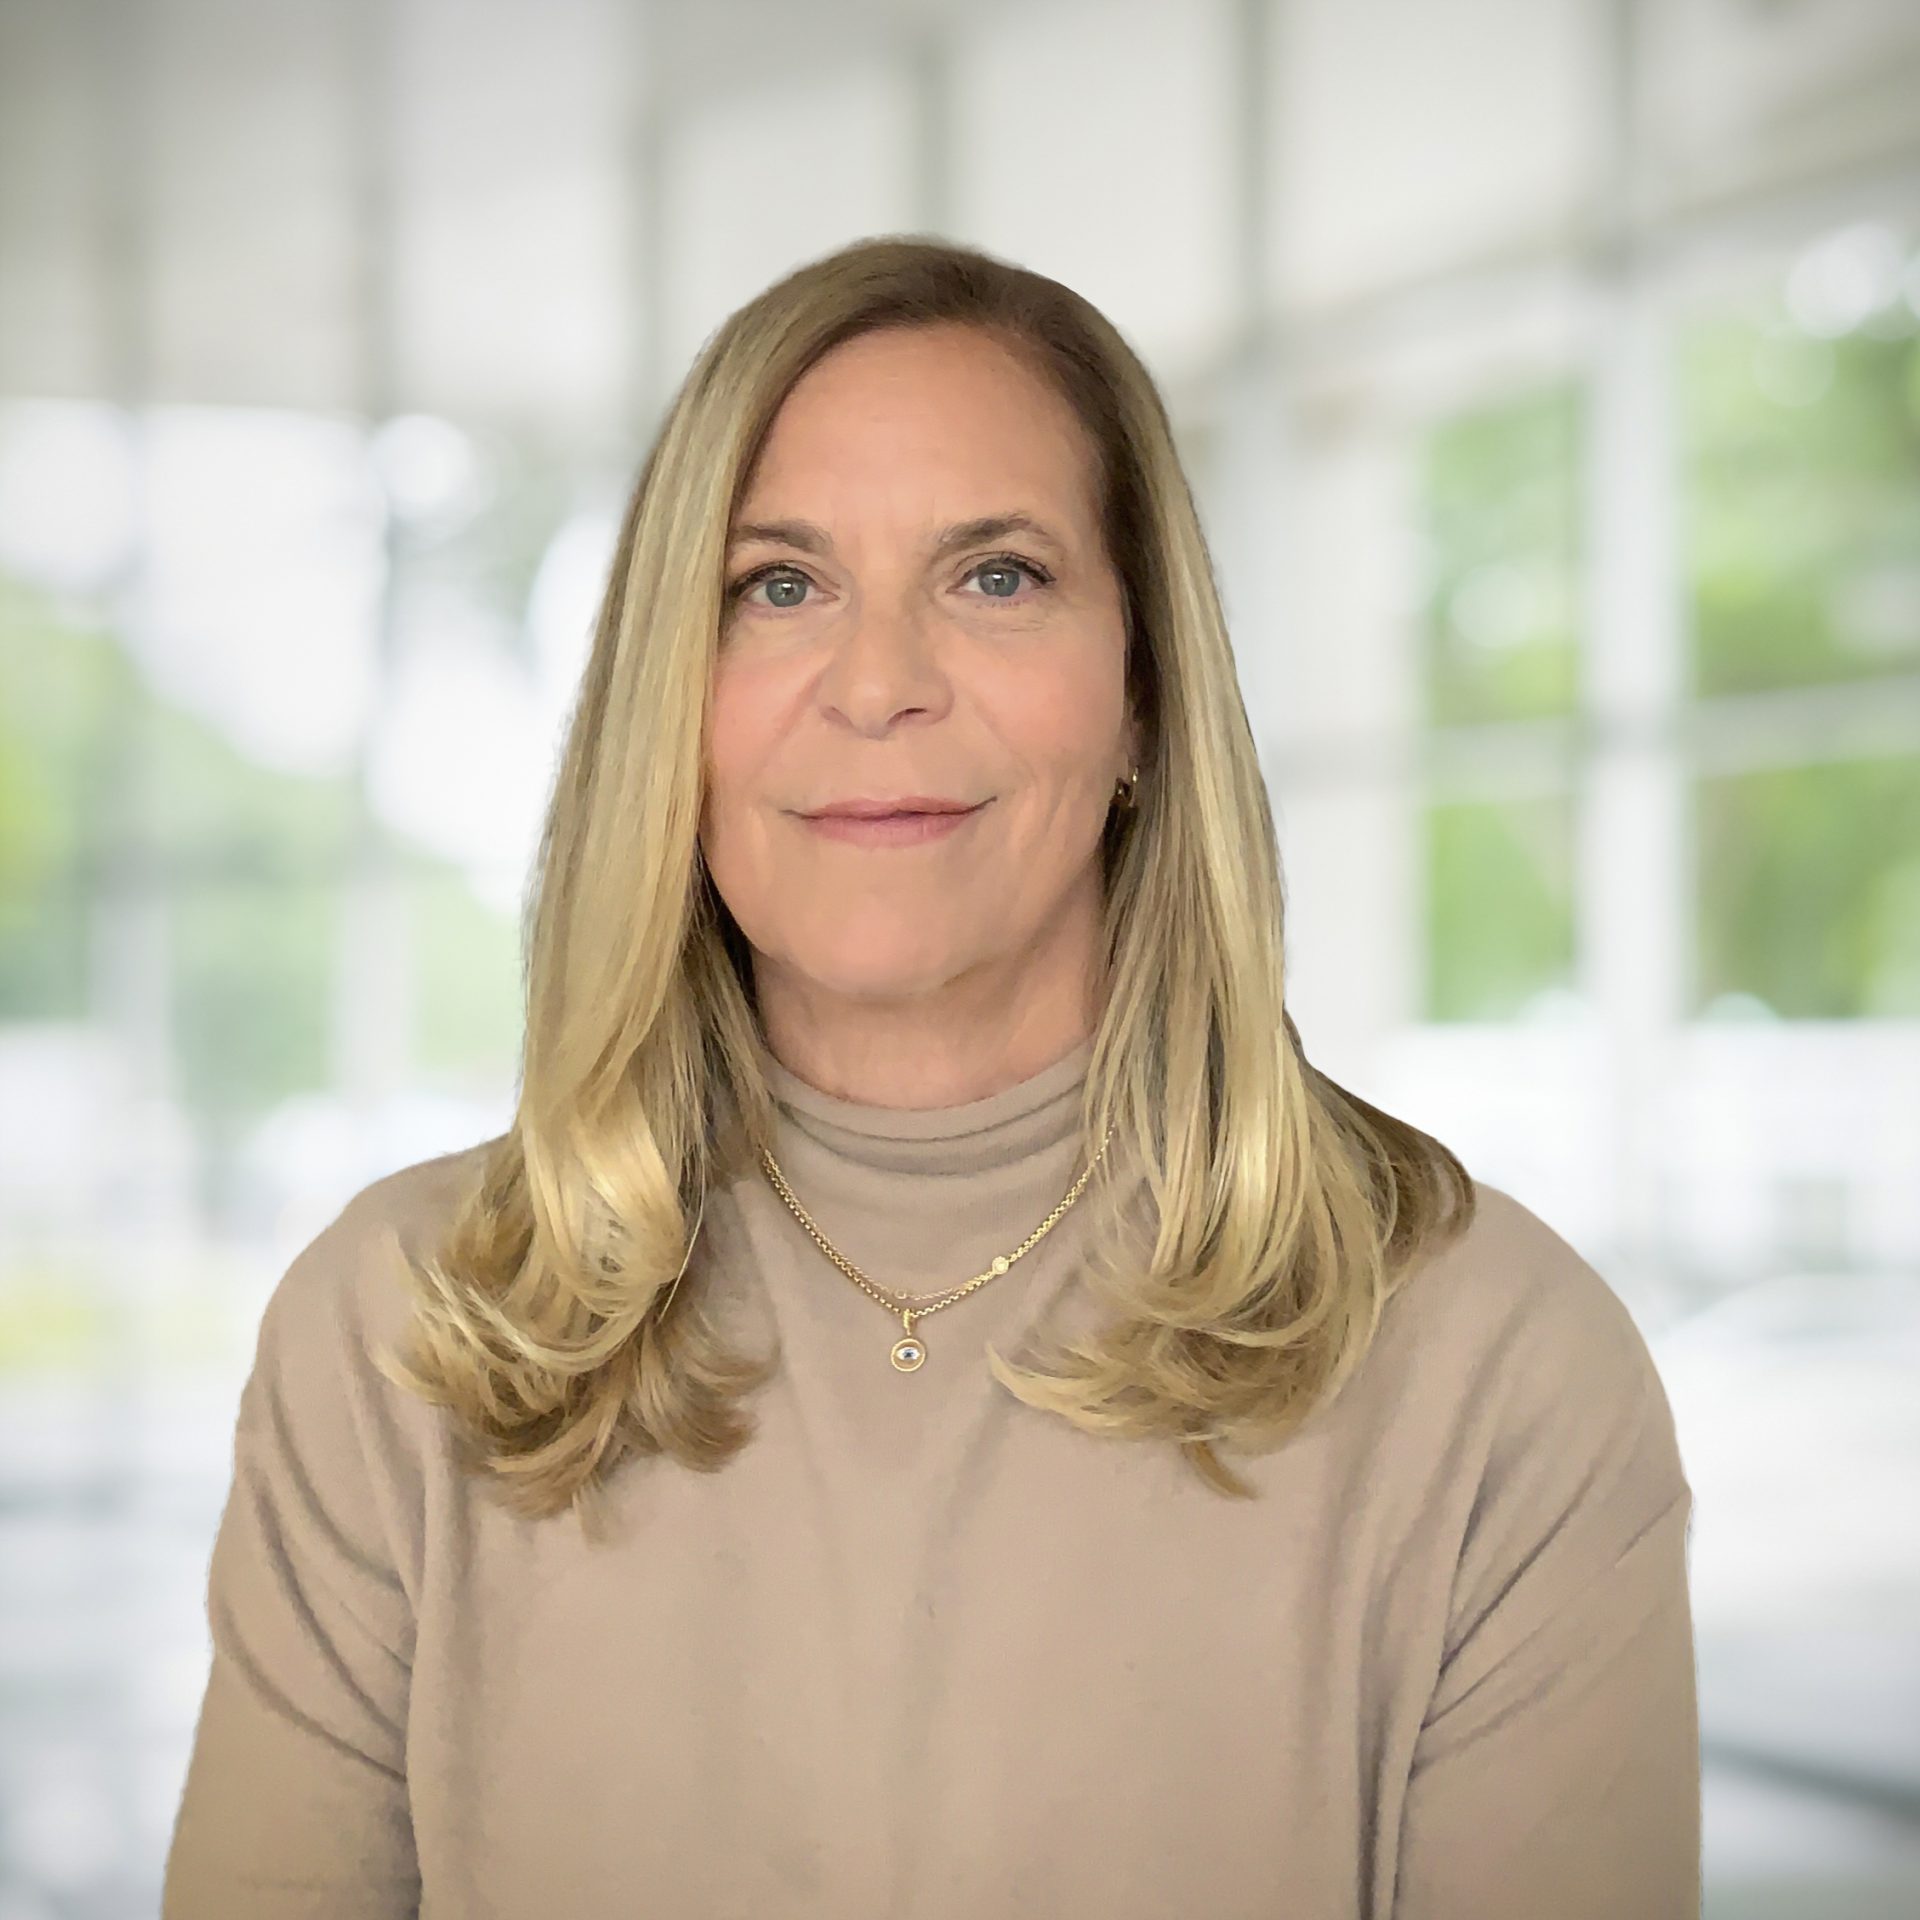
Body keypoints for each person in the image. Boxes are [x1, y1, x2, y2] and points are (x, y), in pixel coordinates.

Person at [162, 236, 1700, 1919]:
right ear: (670, 706)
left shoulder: (1495, 1367)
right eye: (780, 586)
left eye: (997, 576)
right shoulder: (405, 1329)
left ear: (1141, 703)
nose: (879, 681)